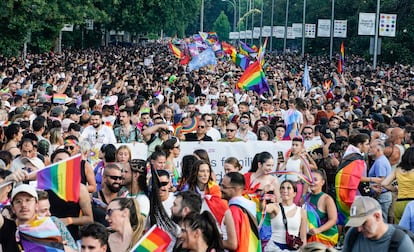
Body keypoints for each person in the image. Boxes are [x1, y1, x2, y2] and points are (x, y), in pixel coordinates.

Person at [0, 184, 76, 252]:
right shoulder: (8, 228)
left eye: (28, 200)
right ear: (13, 208)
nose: (23, 205)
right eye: (18, 201)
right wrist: (8, 180)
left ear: (36, 205)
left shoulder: (49, 226)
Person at [342, 196, 414, 252]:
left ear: (377, 216)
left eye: (363, 223)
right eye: (356, 224)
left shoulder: (400, 242)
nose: (359, 229)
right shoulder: (353, 234)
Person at [221, 172, 261, 251]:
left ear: (235, 189)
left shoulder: (233, 210)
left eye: (224, 187)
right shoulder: (251, 205)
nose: (220, 189)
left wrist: (212, 241)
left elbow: (233, 244)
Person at [265, 180, 308, 251]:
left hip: (293, 248)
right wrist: (263, 194)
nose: (285, 190)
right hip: (274, 248)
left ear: (294, 193)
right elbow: (262, 209)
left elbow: (303, 237)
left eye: (288, 188)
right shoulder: (275, 207)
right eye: (282, 188)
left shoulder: (301, 211)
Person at [185, 159, 228, 225]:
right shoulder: (187, 189)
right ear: (196, 172)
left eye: (208, 171)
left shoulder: (215, 189)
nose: (205, 174)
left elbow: (222, 209)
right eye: (202, 171)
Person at [305, 170, 338, 247]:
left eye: (315, 180)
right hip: (308, 238)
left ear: (322, 182)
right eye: (310, 179)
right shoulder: (305, 198)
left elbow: (333, 220)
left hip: (323, 239)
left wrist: (318, 230)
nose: (312, 182)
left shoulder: (327, 199)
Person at [279, 136, 316, 205]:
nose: (294, 147)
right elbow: (279, 174)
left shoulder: (303, 161)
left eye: (296, 145)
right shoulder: (288, 159)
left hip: (298, 187)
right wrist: (280, 163)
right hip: (287, 187)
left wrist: (303, 196)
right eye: (293, 145)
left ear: (301, 147)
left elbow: (307, 180)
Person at [382, 147, 414, 223]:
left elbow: (384, 183)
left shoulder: (398, 170)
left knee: (401, 231)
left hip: (399, 203)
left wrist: (395, 189)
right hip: (412, 203)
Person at [368, 139, 392, 222]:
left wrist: (375, 196)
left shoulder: (380, 162)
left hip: (381, 196)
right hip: (382, 196)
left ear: (378, 149)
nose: (369, 149)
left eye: (371, 147)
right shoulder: (380, 160)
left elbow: (380, 181)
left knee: (381, 222)